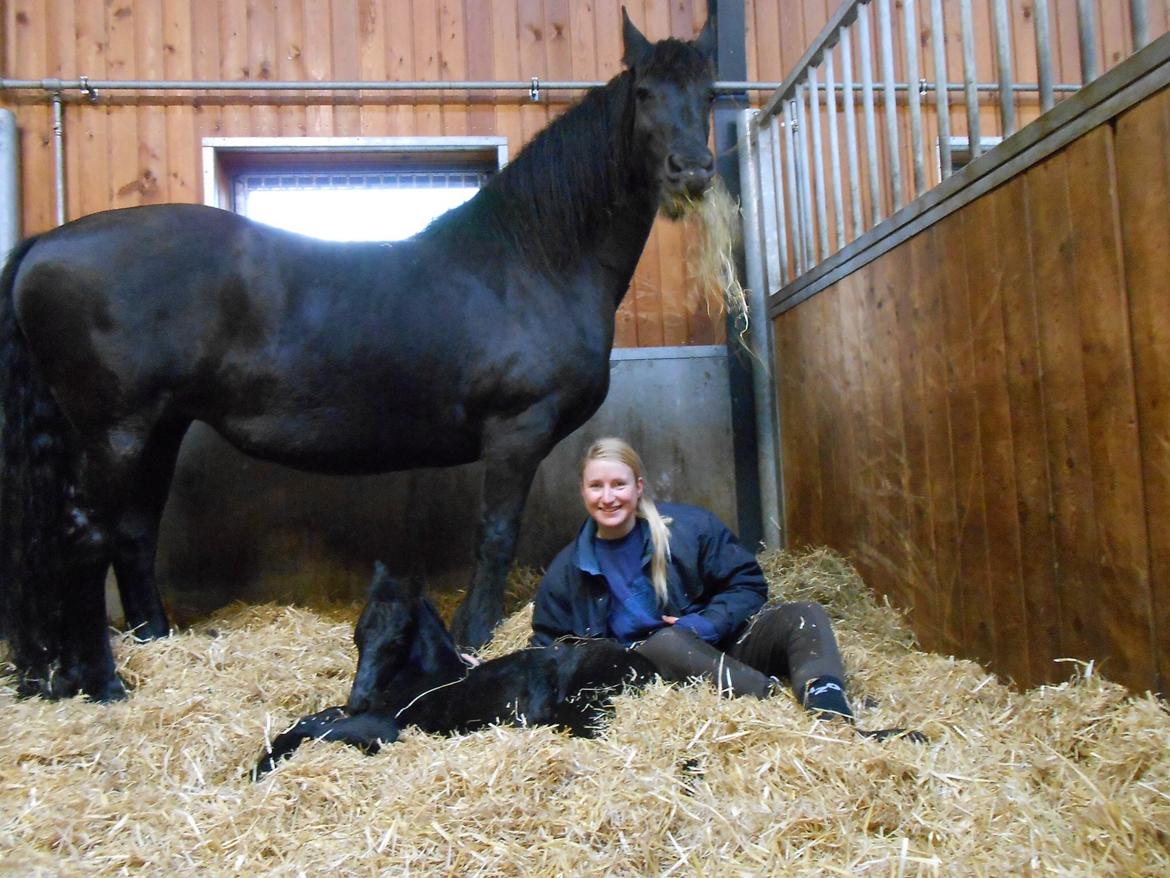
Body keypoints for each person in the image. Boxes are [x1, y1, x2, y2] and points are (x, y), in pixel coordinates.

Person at [531, 437, 903, 733]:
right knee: (664, 642)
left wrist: (705, 624)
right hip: (652, 673)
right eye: (596, 486)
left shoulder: (690, 529)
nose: (608, 497)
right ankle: (772, 702)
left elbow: (748, 584)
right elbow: (549, 646)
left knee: (803, 615)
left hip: (719, 643)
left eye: (618, 484)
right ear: (582, 491)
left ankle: (828, 705)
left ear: (638, 487)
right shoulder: (568, 570)